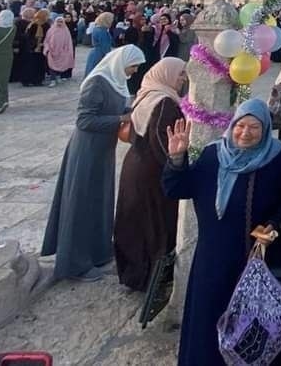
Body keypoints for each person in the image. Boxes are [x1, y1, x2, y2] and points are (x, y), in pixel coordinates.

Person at [162, 99, 281, 366]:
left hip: (258, 266)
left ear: (266, 128)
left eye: (254, 127)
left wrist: (274, 224)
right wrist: (177, 159)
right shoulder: (213, 155)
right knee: (208, 330)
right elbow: (177, 189)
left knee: (255, 336)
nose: (245, 133)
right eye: (240, 125)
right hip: (212, 263)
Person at [41, 45, 146, 281]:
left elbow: (115, 108)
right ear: (122, 62)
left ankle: (97, 253)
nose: (134, 70)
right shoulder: (97, 82)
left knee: (99, 201)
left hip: (103, 150)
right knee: (82, 204)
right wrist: (122, 118)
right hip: (87, 151)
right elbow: (85, 120)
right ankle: (75, 264)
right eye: (134, 65)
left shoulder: (116, 80)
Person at [114, 57, 186, 291]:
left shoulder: (146, 93)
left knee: (134, 220)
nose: (182, 79)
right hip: (151, 172)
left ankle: (132, 273)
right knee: (154, 222)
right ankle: (150, 278)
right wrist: (176, 168)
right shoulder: (164, 102)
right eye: (180, 74)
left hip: (134, 165)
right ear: (166, 74)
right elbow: (162, 139)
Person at [43, 16, 75, 85]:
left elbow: (68, 42)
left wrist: (66, 51)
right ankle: (53, 80)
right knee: (51, 66)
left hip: (62, 52)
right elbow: (46, 40)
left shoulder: (66, 31)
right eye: (58, 21)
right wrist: (47, 49)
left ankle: (58, 76)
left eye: (61, 22)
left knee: (60, 65)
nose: (59, 23)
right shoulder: (51, 30)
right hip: (51, 51)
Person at [84, 12, 114, 77]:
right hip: (100, 54)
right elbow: (105, 46)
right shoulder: (102, 31)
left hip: (95, 53)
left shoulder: (97, 28)